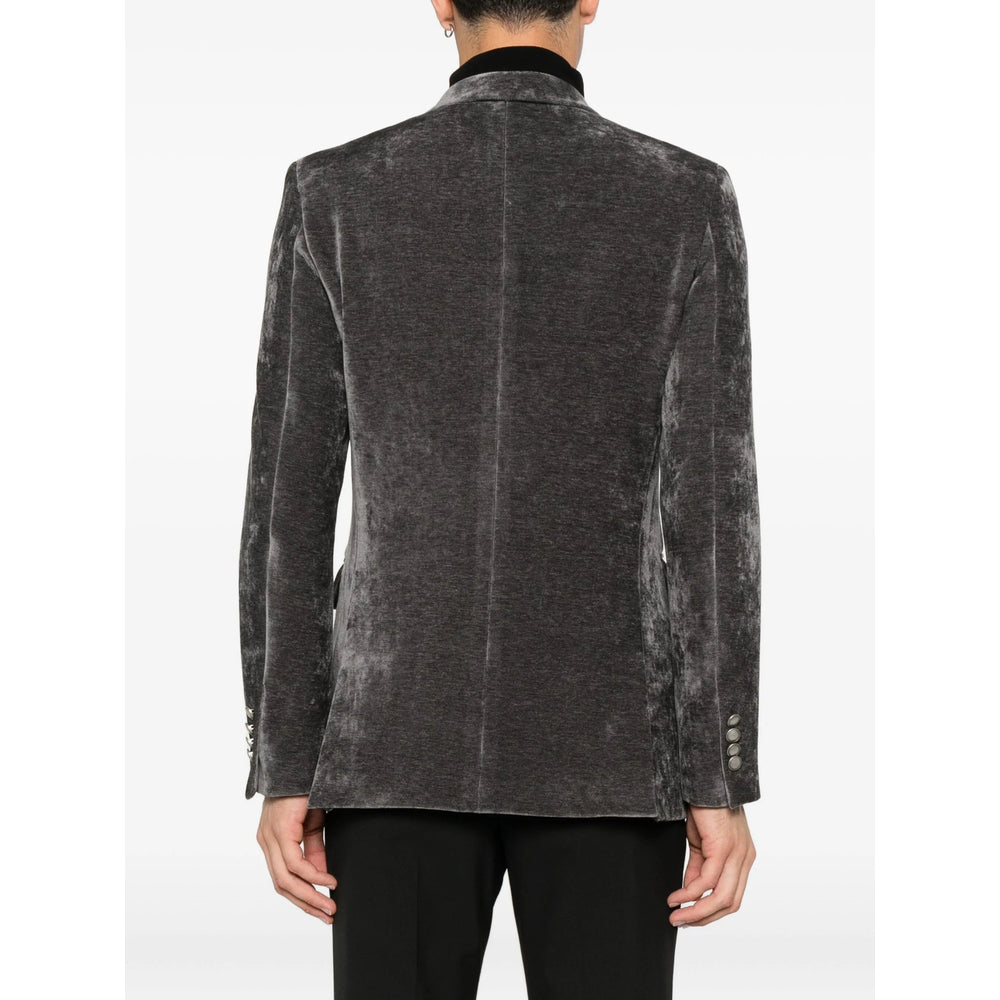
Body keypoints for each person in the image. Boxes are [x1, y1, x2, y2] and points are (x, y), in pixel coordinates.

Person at [237, 1, 761, 997]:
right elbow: (712, 515)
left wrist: (288, 757)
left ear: (442, 2)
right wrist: (718, 771)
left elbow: (286, 509)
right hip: (612, 753)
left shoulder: (336, 191)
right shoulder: (682, 196)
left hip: (393, 746)